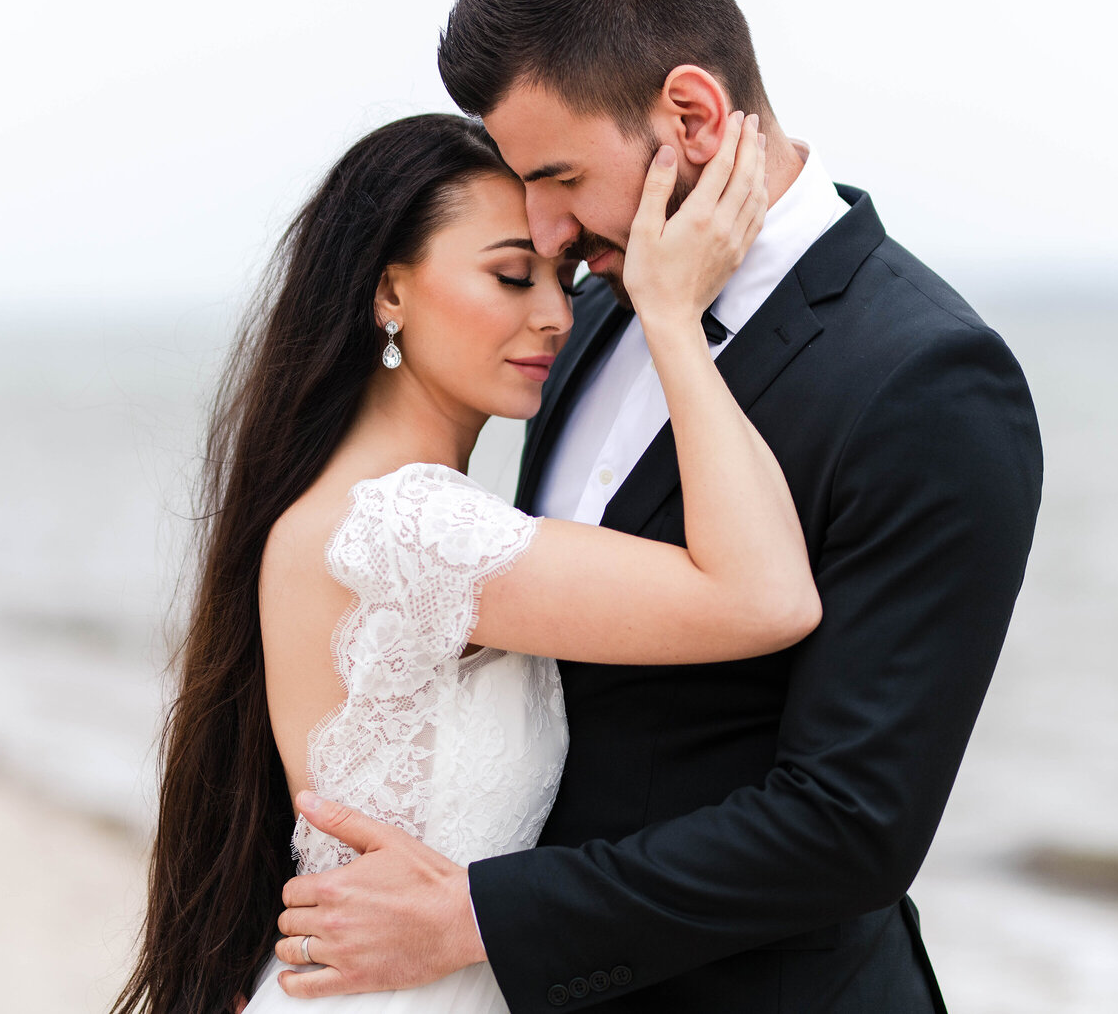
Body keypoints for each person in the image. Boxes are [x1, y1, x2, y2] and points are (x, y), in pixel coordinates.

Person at [271, 0, 1044, 1012]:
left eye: (559, 180)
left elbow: (850, 822)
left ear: (689, 114)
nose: (544, 232)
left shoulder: (927, 379)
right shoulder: (582, 316)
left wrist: (483, 917)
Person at [110, 107, 813, 1014]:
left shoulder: (359, 509)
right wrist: (672, 318)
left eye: (561, 274)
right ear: (389, 292)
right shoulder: (404, 526)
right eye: (512, 275)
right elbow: (764, 596)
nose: (558, 313)